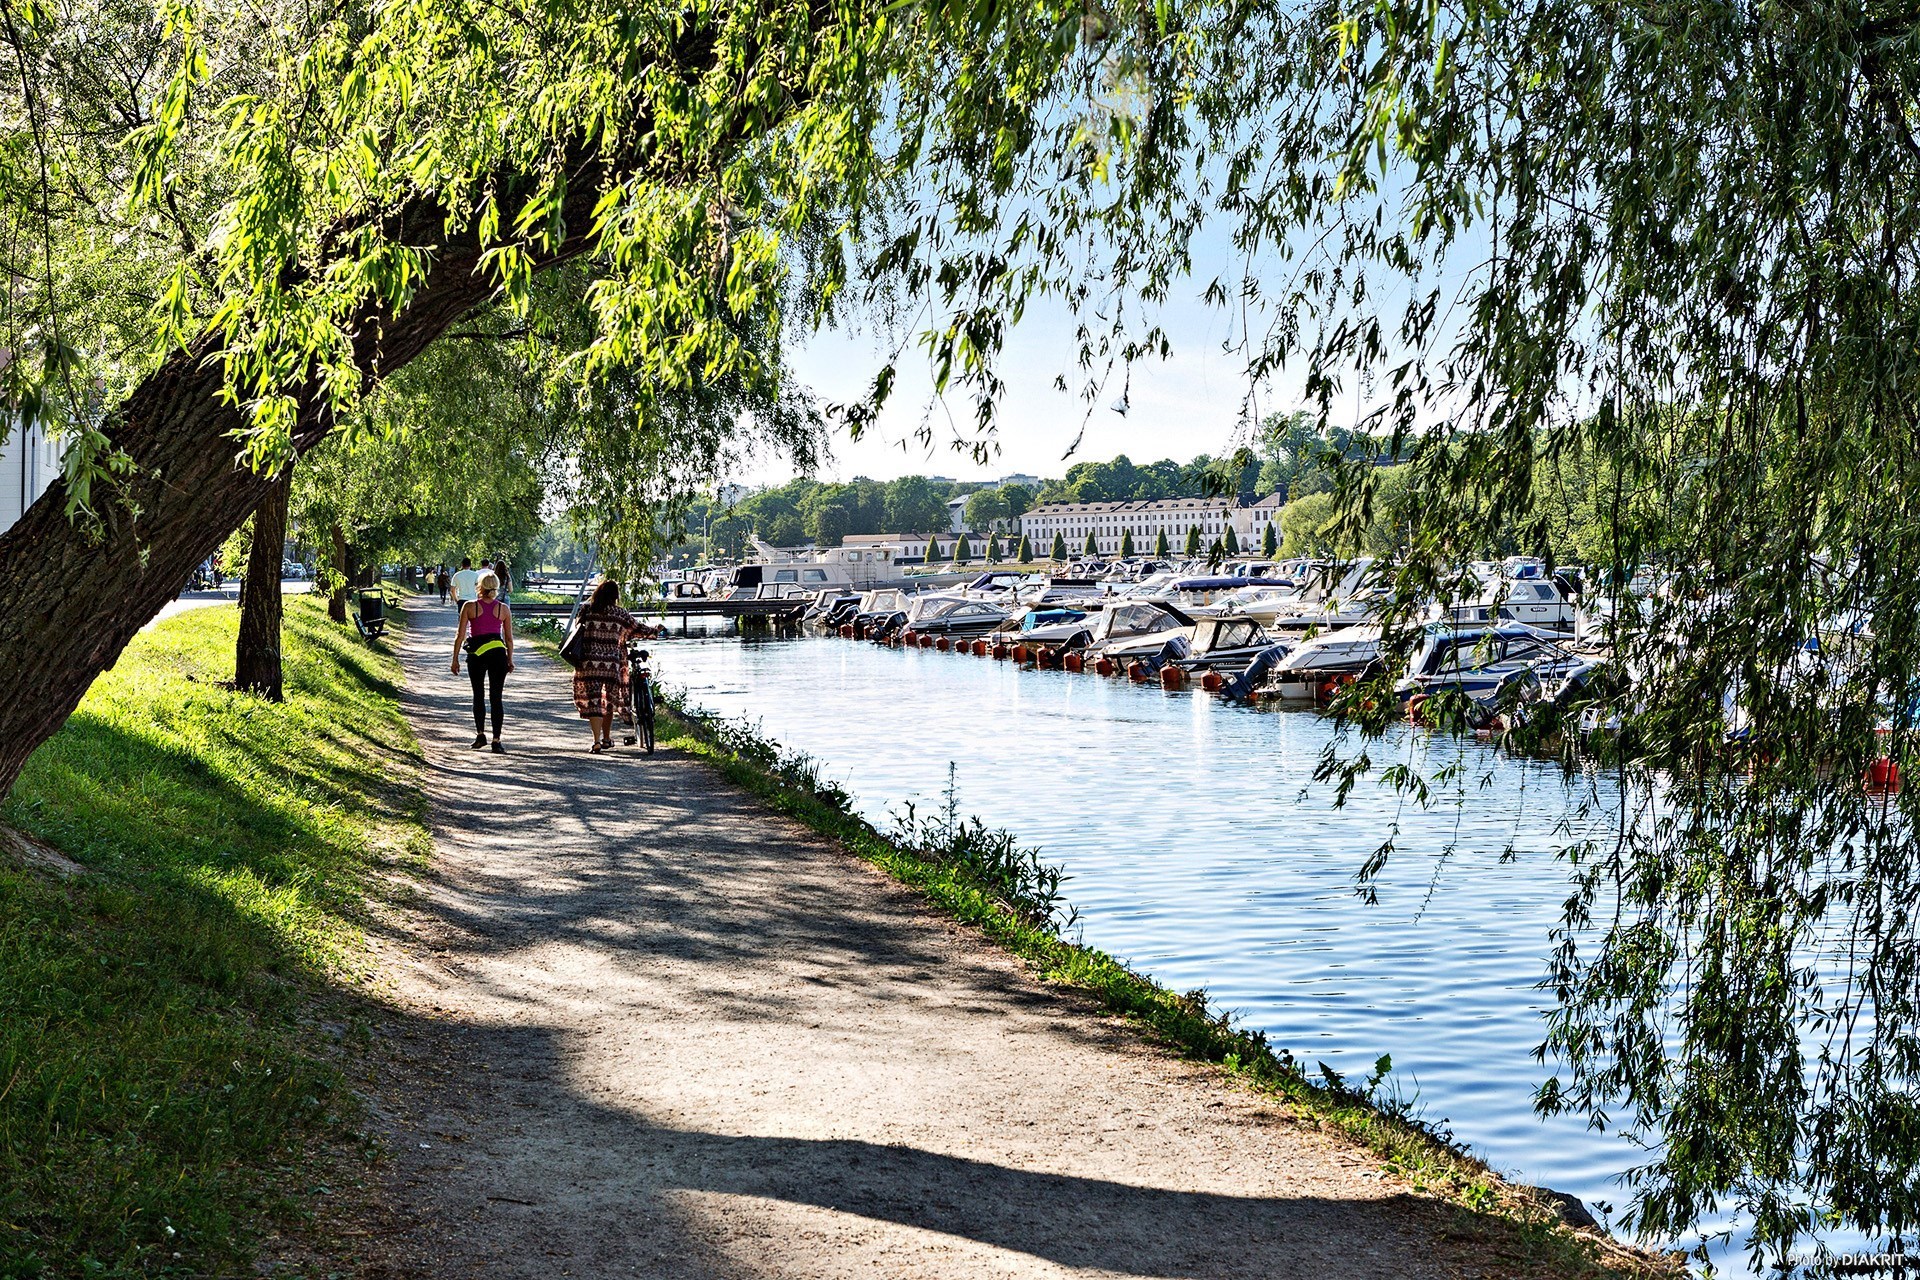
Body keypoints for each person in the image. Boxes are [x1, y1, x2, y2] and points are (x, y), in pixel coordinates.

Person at [570, 578, 648, 752]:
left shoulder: (587, 610)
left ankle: (596, 741)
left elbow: (577, 628)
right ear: (615, 596)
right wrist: (656, 630)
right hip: (611, 665)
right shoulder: (619, 613)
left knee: (595, 702)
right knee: (608, 702)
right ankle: (606, 738)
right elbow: (637, 628)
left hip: (588, 664)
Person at [452, 571, 514, 752]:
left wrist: (455, 659)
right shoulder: (503, 609)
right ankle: (497, 740)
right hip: (497, 653)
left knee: (478, 694)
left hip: (476, 655)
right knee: (496, 697)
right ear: (496, 586)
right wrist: (509, 659)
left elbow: (460, 635)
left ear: (479, 586)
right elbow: (508, 639)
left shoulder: (470, 607)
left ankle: (480, 735)